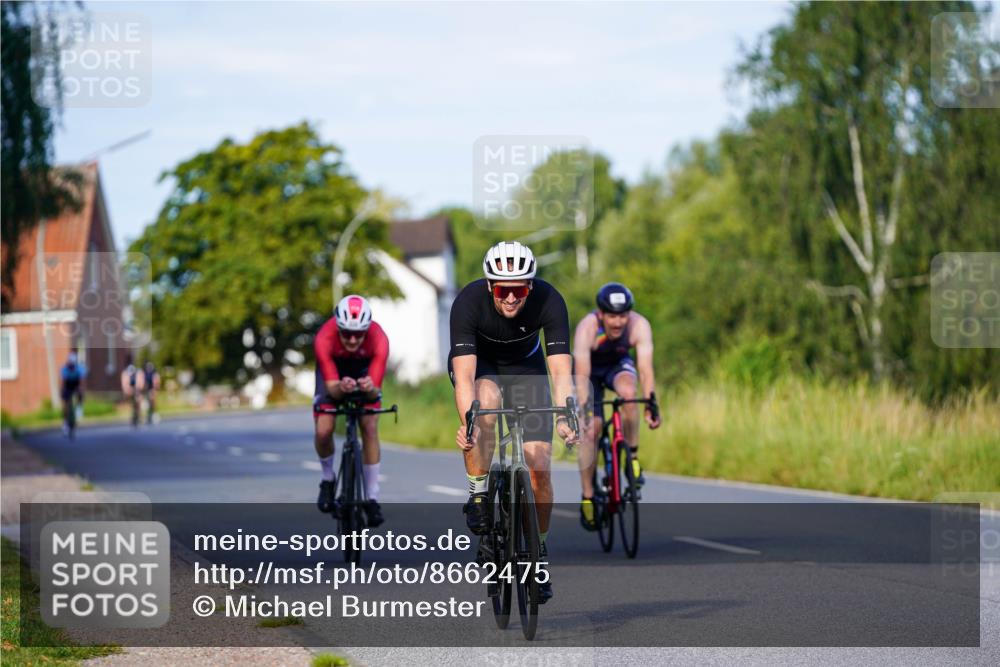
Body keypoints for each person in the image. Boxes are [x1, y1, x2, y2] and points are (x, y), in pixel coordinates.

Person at [450, 241, 579, 603]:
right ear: (490, 286)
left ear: (530, 287)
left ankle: (538, 554)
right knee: (486, 404)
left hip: (527, 370)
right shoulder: (467, 302)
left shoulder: (550, 301)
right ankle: (478, 494)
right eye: (503, 289)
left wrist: (567, 416)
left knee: (538, 464)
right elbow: (464, 377)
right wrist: (469, 423)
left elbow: (560, 369)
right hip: (482, 366)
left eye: (519, 289)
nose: (510, 298)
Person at [573, 282, 661, 531]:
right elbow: (581, 376)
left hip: (617, 365)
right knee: (591, 430)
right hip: (588, 373)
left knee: (630, 395)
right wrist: (585, 409)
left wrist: (651, 403)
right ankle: (588, 496)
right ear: (601, 313)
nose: (618, 323)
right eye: (612, 316)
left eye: (622, 316)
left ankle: (631, 457)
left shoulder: (639, 325)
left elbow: (645, 369)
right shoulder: (587, 328)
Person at [313, 295, 389, 527]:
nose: (353, 339)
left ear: (368, 329)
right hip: (333, 375)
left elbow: (374, 392)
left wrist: (368, 388)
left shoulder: (379, 340)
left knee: (369, 426)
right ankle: (328, 479)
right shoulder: (324, 338)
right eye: (346, 333)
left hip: (364, 370)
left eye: (359, 333)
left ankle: (372, 497)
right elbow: (332, 390)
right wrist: (339, 388)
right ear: (338, 327)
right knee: (324, 429)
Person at [60, 350, 87, 436]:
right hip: (68, 385)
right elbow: (63, 382)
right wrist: (62, 391)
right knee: (66, 403)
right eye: (70, 365)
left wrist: (80, 389)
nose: (72, 367)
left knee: (80, 393)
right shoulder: (64, 369)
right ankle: (65, 422)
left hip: (75, 384)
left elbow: (81, 380)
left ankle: (79, 407)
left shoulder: (79, 368)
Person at [121, 354, 144, 427]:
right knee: (131, 403)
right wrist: (128, 390)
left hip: (136, 390)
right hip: (129, 390)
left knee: (138, 401)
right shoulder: (125, 372)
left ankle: (139, 416)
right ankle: (132, 417)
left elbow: (140, 382)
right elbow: (124, 383)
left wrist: (138, 389)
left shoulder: (138, 371)